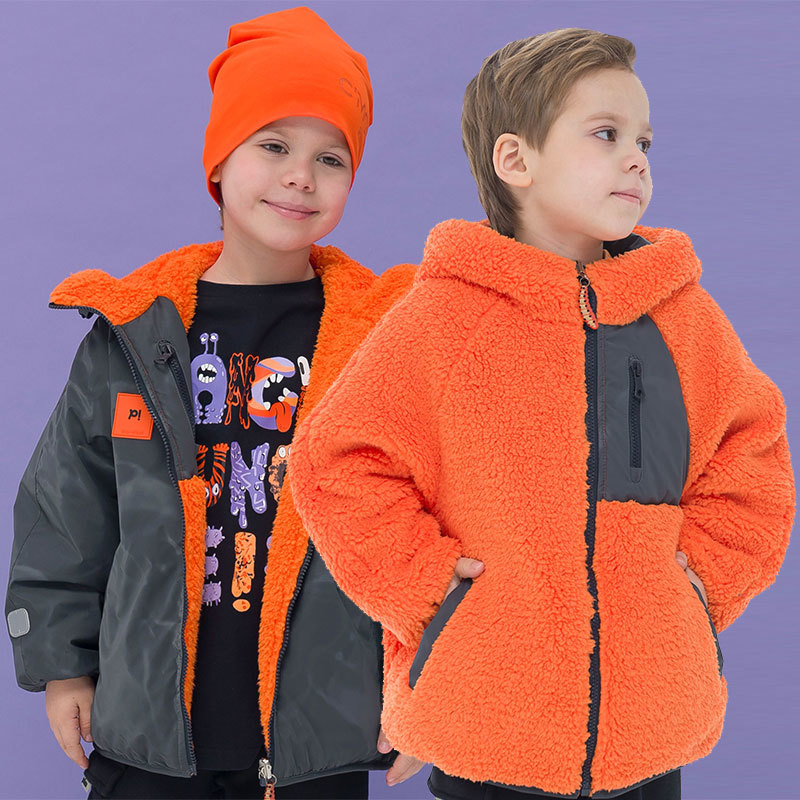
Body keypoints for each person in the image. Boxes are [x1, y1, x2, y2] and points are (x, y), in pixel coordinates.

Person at [287, 27, 796, 800]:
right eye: (606, 134)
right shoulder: (445, 319)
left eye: (644, 141)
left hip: (651, 730)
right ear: (515, 160)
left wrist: (705, 582)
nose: (637, 159)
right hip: (487, 727)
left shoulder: (682, 318)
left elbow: (751, 453)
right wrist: (431, 590)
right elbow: (339, 461)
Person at [5, 7, 424, 799]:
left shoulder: (383, 340)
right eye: (274, 146)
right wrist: (62, 666)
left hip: (316, 739)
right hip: (148, 733)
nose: (301, 176)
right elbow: (66, 510)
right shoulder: (133, 333)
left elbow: (430, 522)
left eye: (330, 158)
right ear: (220, 160)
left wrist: (425, 683)